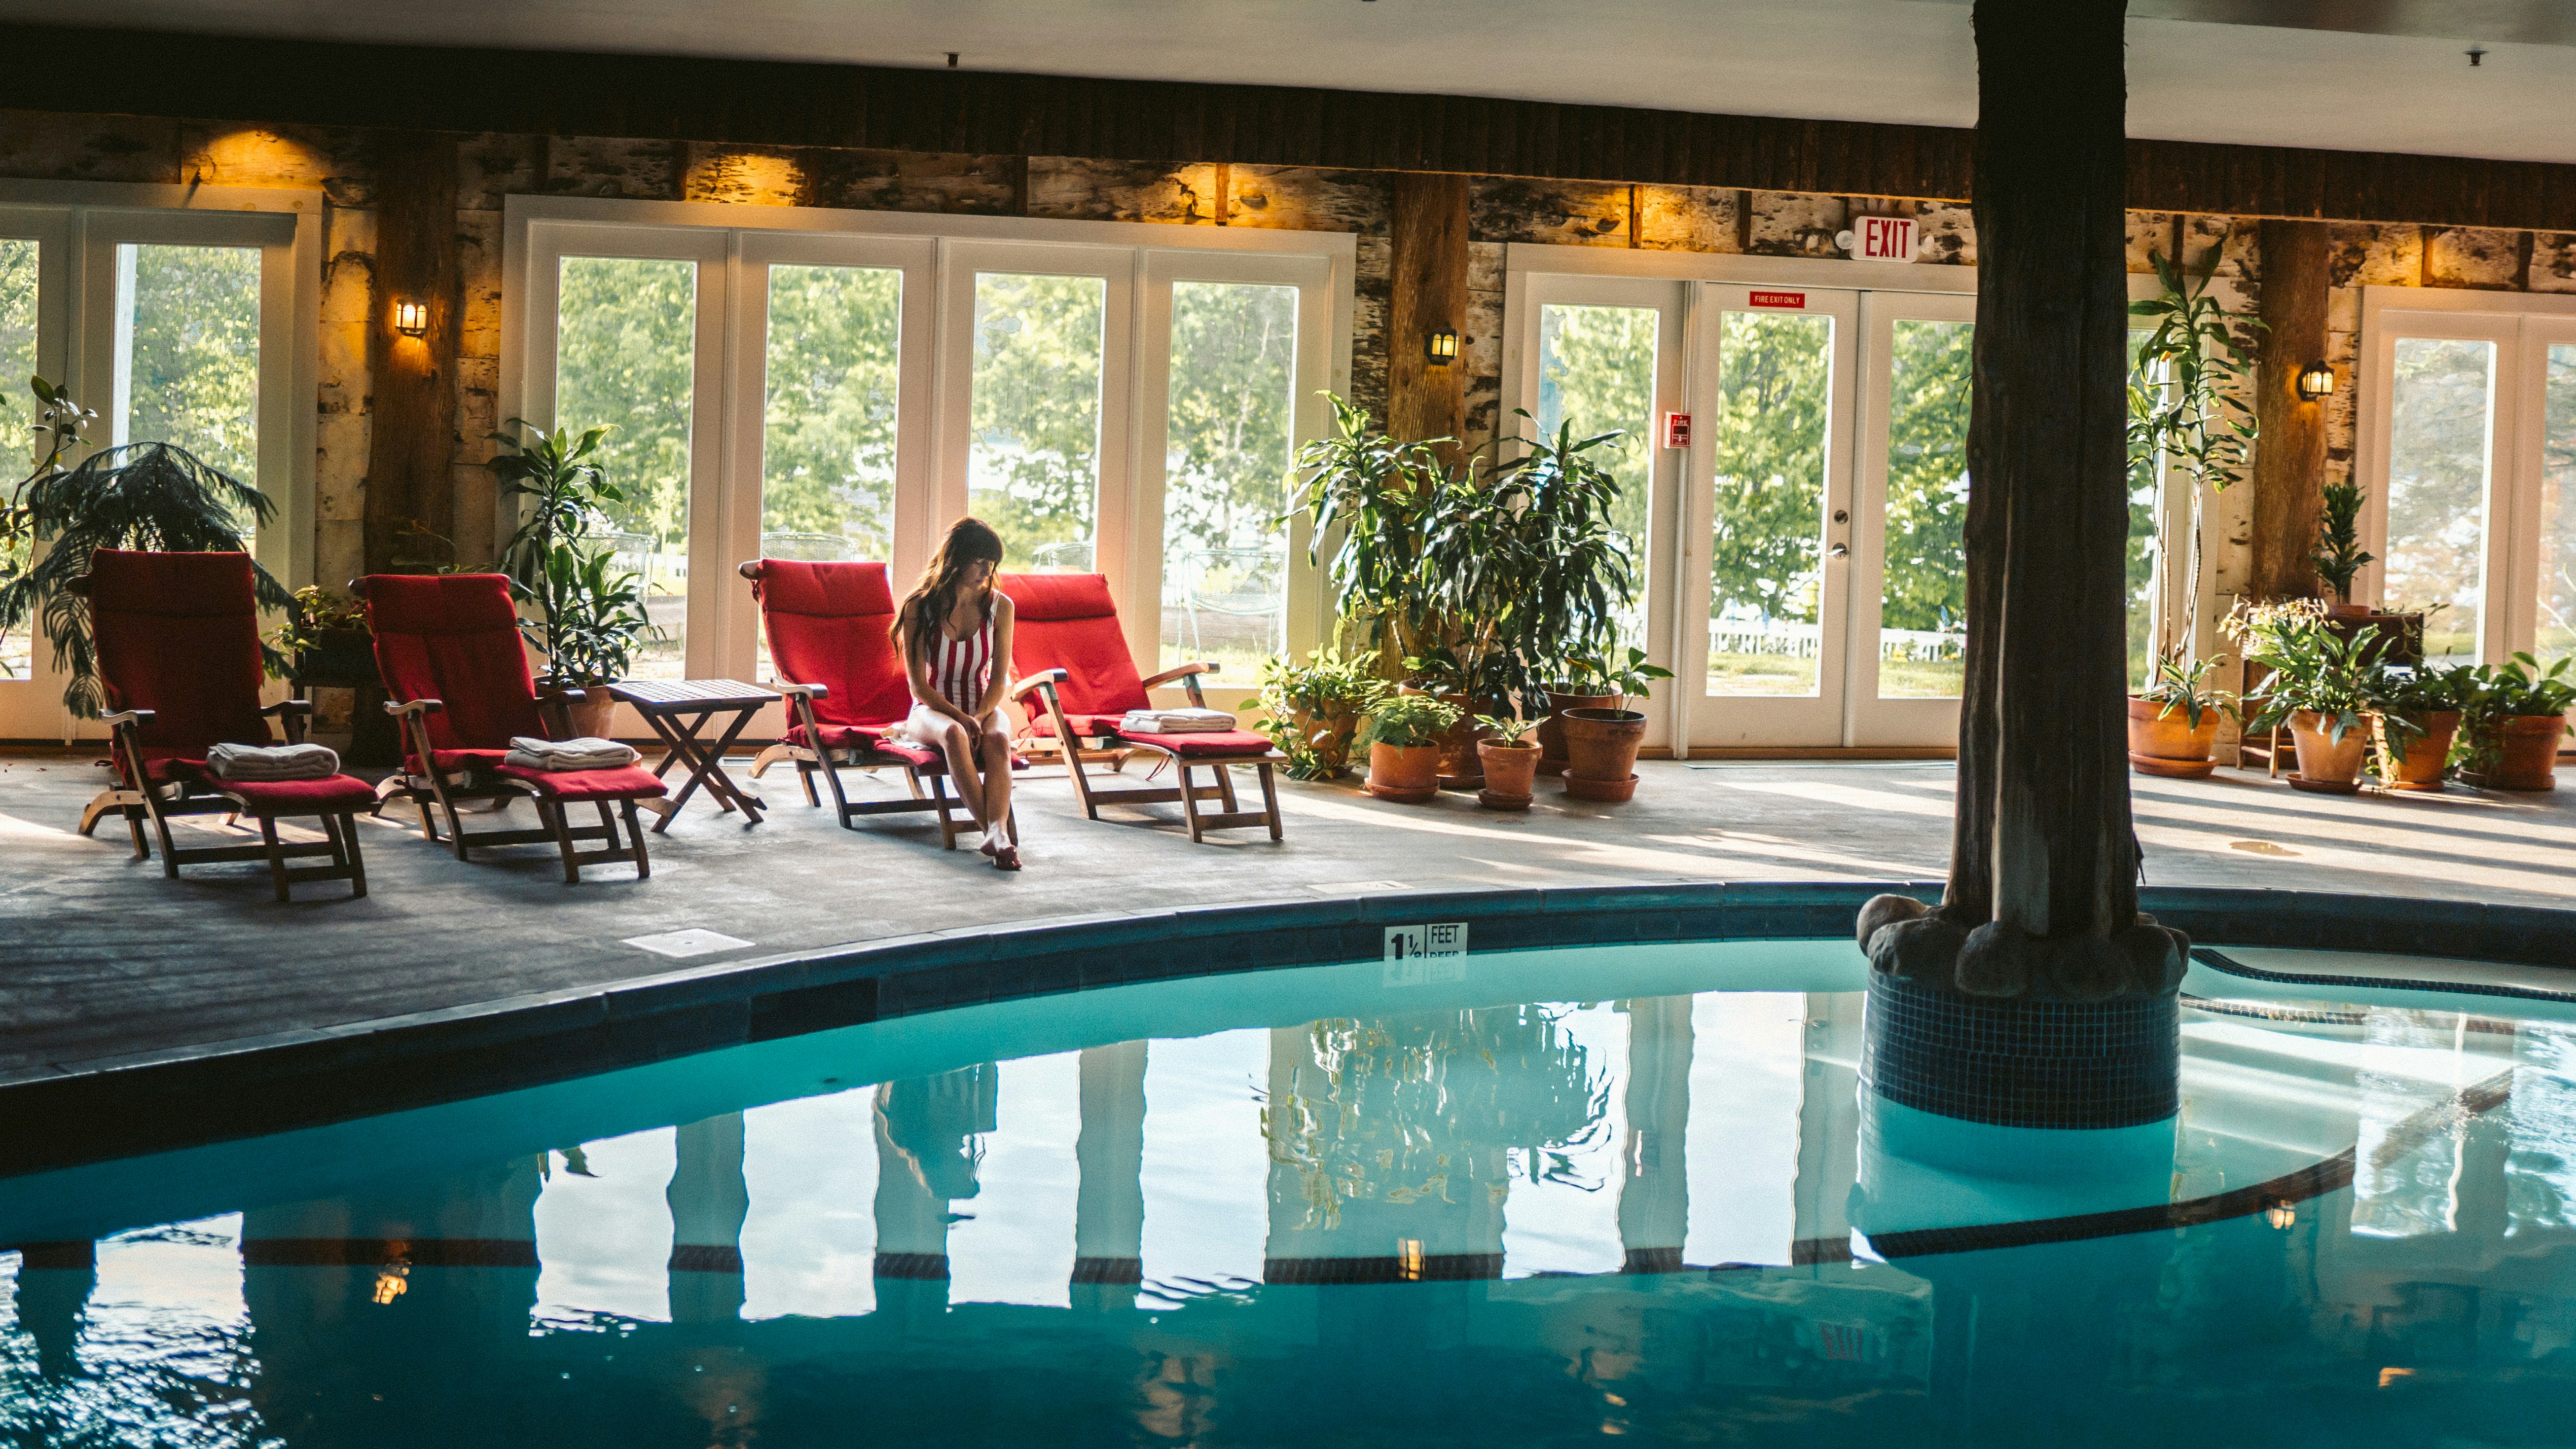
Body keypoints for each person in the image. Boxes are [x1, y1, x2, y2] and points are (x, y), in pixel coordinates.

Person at [891, 518, 1021, 870]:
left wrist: (978, 717)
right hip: (930, 710)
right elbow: (918, 685)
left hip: (980, 704)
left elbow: (997, 681)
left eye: (991, 563)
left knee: (996, 740)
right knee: (953, 733)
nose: (986, 570)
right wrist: (961, 719)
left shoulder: (1000, 607)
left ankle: (996, 833)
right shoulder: (920, 605)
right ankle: (995, 833)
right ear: (956, 559)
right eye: (979, 561)